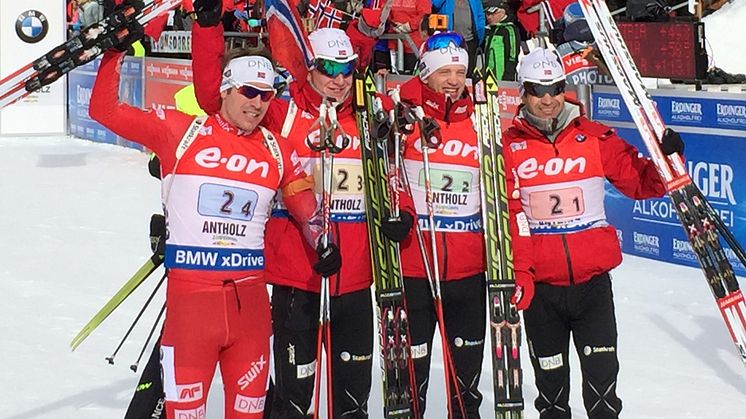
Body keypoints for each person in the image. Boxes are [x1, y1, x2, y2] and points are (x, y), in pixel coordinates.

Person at [90, 39, 340, 418]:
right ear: (225, 88)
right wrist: (115, 53)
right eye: (249, 92)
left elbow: (306, 206)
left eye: (266, 95)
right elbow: (104, 111)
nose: (257, 103)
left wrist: (324, 240)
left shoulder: (277, 150)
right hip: (191, 310)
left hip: (251, 313)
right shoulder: (181, 133)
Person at [189, 3, 392, 417]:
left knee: (352, 399)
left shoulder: (371, 115)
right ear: (308, 67)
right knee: (293, 399)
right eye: (328, 69)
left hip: (353, 279)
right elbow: (215, 99)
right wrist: (209, 29)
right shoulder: (281, 112)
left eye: (346, 70)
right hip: (296, 276)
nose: (337, 80)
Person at [503, 47, 685, 419]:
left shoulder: (595, 137)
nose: (548, 99)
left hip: (592, 289)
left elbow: (641, 183)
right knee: (551, 398)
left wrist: (668, 159)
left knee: (603, 395)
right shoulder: (507, 147)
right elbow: (507, 214)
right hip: (541, 290)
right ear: (524, 93)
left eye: (554, 88)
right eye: (538, 90)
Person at [389, 31, 533, 418]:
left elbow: (507, 203)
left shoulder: (483, 127)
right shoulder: (401, 120)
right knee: (409, 385)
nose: (453, 80)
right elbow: (386, 174)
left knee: (465, 386)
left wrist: (518, 266)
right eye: (444, 72)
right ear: (426, 73)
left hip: (469, 274)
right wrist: (399, 209)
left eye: (459, 71)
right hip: (414, 270)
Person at [431, 0, 486, 76]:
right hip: (449, 41)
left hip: (470, 41)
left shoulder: (475, 1)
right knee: (450, 70)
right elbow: (434, 4)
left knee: (469, 72)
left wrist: (480, 34)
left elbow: (480, 16)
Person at [482, 0, 520, 81]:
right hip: (489, 76)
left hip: (503, 77)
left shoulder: (509, 29)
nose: (489, 17)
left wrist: (508, 76)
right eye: (487, 14)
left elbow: (512, 55)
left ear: (503, 12)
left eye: (492, 14)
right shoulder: (490, 29)